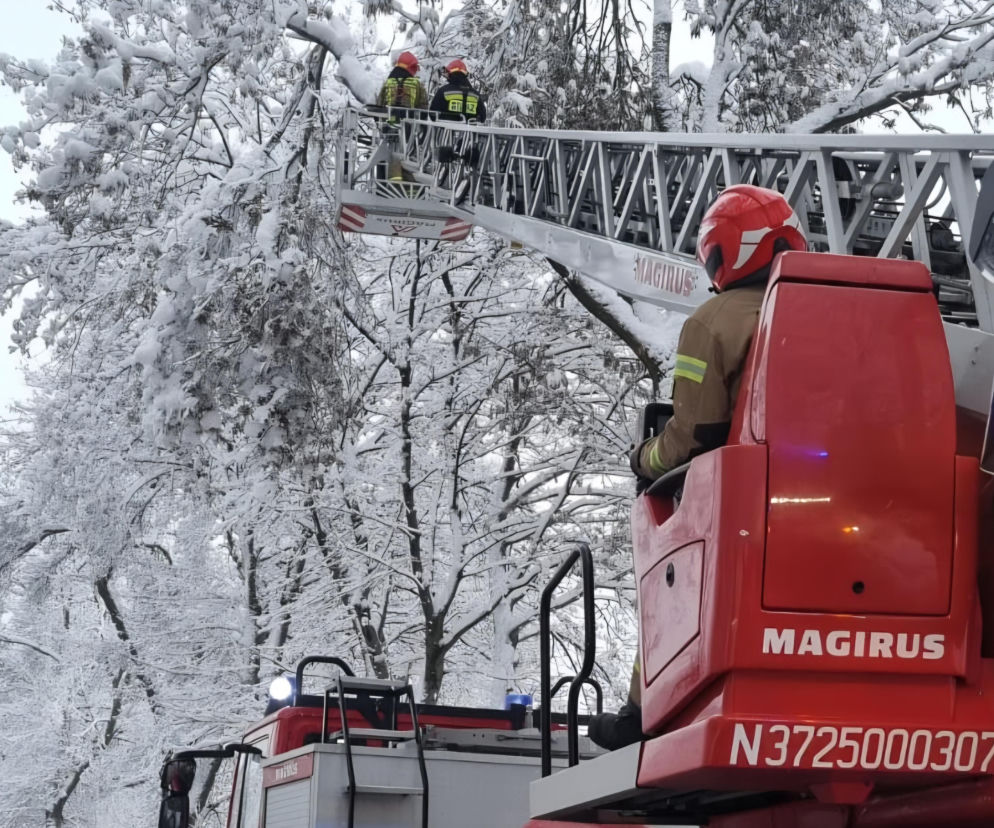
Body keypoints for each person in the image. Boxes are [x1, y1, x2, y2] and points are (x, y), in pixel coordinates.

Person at [586, 184, 808, 751]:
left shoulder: (713, 321)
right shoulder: (838, 305)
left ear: (725, 253)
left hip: (749, 508)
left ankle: (643, 706)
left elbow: (693, 436)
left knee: (671, 572)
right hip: (845, 500)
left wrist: (644, 457)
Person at [377, 51, 428, 181]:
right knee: (407, 158)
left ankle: (387, 182)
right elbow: (423, 108)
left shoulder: (387, 83)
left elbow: (379, 104)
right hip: (409, 130)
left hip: (388, 128)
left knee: (388, 157)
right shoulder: (417, 85)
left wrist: (381, 122)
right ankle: (406, 183)